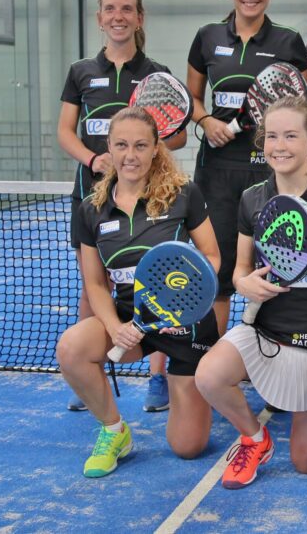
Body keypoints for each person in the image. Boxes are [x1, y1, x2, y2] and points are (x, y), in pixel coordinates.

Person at [195, 96, 307, 489]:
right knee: (209, 376)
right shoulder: (252, 199)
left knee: (305, 461)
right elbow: (239, 271)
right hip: (263, 335)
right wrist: (243, 283)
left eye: (290, 136)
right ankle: (254, 438)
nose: (279, 146)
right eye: (271, 136)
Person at [56, 107, 221, 479]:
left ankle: (195, 387)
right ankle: (115, 431)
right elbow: (95, 283)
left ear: (155, 148)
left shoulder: (183, 193)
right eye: (121, 145)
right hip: (131, 318)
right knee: (71, 349)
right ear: (109, 148)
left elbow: (211, 257)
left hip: (186, 324)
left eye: (140, 146)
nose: (130, 155)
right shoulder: (91, 209)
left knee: (188, 447)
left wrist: (178, 304)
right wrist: (115, 328)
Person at [57, 0, 184, 414]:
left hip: (148, 200)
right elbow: (65, 131)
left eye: (127, 9)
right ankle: (88, 375)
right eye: (110, 9)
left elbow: (178, 135)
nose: (118, 16)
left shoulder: (157, 75)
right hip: (92, 198)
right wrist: (95, 161)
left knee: (154, 284)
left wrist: (139, 152)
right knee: (93, 284)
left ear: (139, 17)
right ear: (99, 17)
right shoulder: (81, 72)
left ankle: (157, 377)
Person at [186, 0, 307, 337]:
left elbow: (300, 107)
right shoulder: (208, 37)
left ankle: (272, 353)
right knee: (217, 270)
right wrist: (206, 122)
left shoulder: (288, 41)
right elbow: (193, 98)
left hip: (271, 172)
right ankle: (209, 354)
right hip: (216, 172)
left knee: (276, 265)